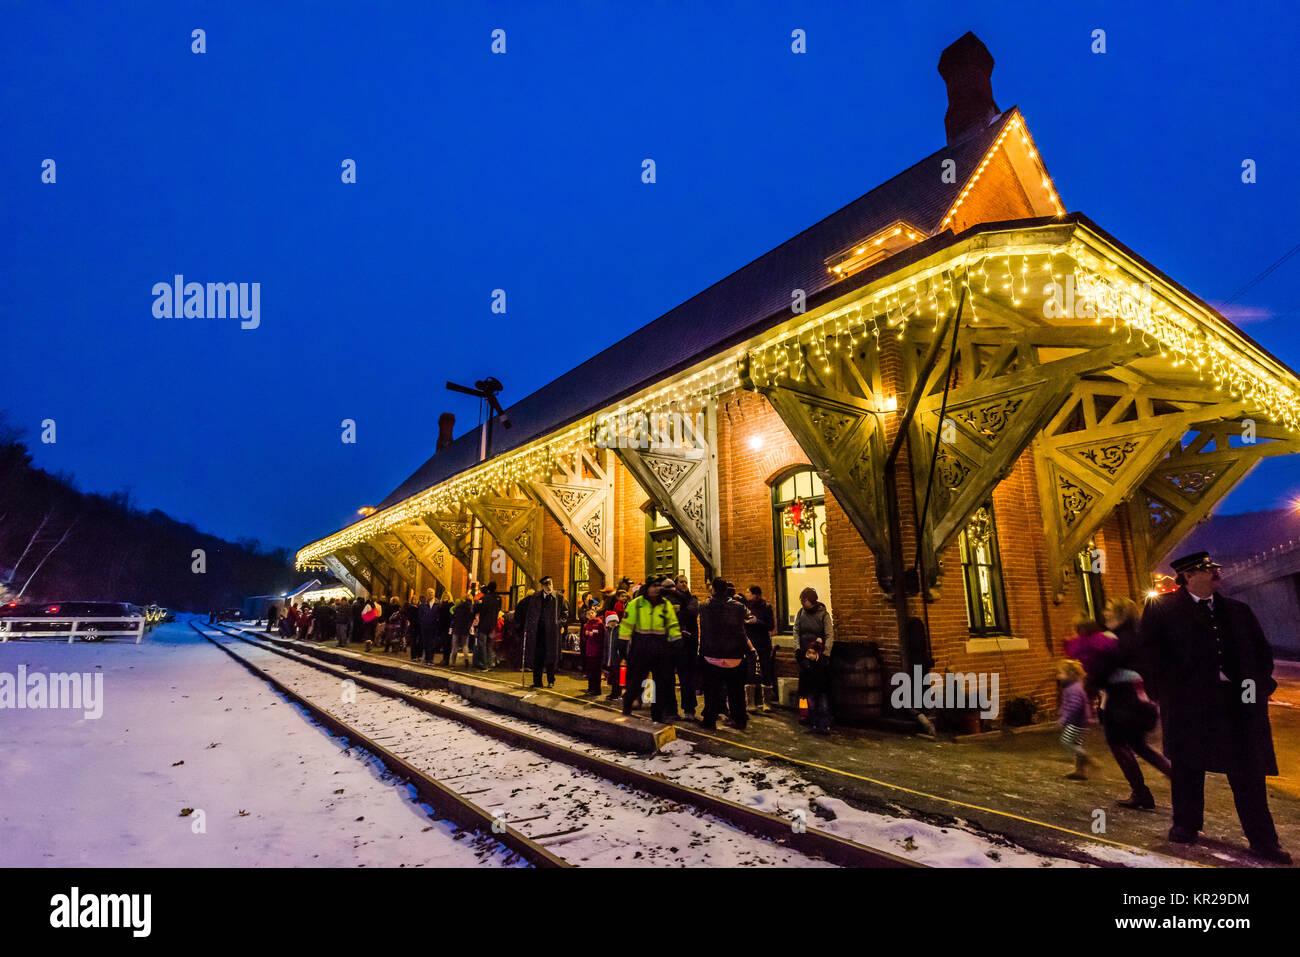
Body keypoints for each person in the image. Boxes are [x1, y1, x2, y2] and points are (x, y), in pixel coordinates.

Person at [1140, 551, 1290, 863]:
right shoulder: (1163, 610)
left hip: (1239, 705)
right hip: (1189, 705)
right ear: (1189, 576)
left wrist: (1262, 687)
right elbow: (1150, 656)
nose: (1216, 575)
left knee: (1248, 772)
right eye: (1208, 571)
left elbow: (1261, 652)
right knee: (1187, 767)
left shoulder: (1238, 610)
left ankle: (1263, 841)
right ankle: (1186, 825)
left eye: (1215, 570)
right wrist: (1164, 693)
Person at [1100, 596, 1169, 810]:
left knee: (1118, 744)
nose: (1105, 612)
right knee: (1139, 745)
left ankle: (1141, 793)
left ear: (1120, 614)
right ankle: (1178, 777)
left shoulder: (1117, 640)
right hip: (1137, 701)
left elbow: (1106, 669)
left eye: (1110, 607)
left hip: (1121, 702)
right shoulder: (1138, 637)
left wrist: (1092, 678)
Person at [619, 577, 681, 723]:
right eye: (654, 586)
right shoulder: (637, 604)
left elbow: (672, 625)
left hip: (661, 648)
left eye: (659, 586)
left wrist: (677, 640)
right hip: (642, 646)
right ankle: (628, 701)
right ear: (647, 587)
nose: (657, 588)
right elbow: (627, 624)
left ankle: (657, 715)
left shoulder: (666, 605)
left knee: (661, 683)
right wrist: (622, 642)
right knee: (637, 681)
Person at [698, 577, 755, 731]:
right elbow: (748, 621)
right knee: (736, 692)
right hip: (734, 655)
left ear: (714, 589)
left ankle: (709, 720)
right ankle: (740, 720)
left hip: (711, 655)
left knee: (712, 692)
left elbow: (704, 630)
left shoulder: (704, 607)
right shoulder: (738, 607)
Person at [793, 587, 834, 734]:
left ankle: (823, 721)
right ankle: (807, 716)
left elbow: (829, 635)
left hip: (818, 656)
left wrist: (825, 654)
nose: (804, 604)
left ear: (812, 600)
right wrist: (797, 649)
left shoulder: (823, 615)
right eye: (803, 601)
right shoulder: (801, 613)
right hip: (804, 655)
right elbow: (796, 631)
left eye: (806, 601)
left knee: (820, 690)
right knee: (805, 690)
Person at [517, 576, 569, 688]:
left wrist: (558, 623)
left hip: (552, 632)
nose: (549, 587)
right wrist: (528, 627)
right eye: (547, 585)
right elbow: (530, 613)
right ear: (543, 586)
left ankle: (551, 680)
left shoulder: (559, 598)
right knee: (538, 657)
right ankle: (537, 682)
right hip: (538, 632)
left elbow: (565, 613)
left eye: (550, 584)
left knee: (551, 657)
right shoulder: (536, 597)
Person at [664, 575, 699, 720]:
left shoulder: (692, 598)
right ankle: (670, 709)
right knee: (668, 678)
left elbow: (692, 612)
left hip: (686, 644)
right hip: (670, 643)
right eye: (681, 582)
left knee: (687, 678)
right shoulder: (666, 600)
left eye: (686, 582)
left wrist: (678, 611)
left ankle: (689, 710)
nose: (684, 584)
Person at [1057, 658, 1093, 779]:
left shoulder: (1074, 689)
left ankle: (1086, 757)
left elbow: (1074, 706)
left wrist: (1064, 718)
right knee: (1076, 743)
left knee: (1067, 742)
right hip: (1081, 721)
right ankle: (1080, 771)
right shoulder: (1073, 687)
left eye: (1062, 673)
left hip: (1076, 722)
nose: (1059, 676)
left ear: (1070, 675)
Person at [744, 585, 776, 710]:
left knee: (765, 671)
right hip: (750, 644)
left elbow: (771, 626)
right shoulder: (746, 607)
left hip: (763, 643)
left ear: (755, 594)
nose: (747, 594)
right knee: (750, 672)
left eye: (748, 592)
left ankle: (766, 703)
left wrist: (757, 621)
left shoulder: (766, 607)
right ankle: (751, 702)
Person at [474, 581, 502, 670]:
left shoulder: (485, 598)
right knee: (489, 644)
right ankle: (490, 663)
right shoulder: (498, 599)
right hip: (492, 624)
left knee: (482, 644)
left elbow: (477, 609)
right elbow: (498, 610)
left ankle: (483, 663)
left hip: (484, 624)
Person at [580, 606, 605, 695]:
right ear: (586, 616)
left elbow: (602, 637)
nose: (590, 615)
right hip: (589, 651)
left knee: (596, 672)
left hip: (597, 652)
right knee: (590, 671)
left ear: (595, 613)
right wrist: (587, 635)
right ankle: (590, 688)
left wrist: (593, 634)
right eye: (588, 614)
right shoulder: (586, 625)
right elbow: (583, 638)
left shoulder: (600, 624)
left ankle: (597, 690)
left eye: (592, 613)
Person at [448, 594, 475, 667]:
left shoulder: (458, 607)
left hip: (456, 628)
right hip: (465, 629)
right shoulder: (470, 609)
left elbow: (452, 616)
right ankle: (466, 659)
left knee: (454, 646)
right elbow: (471, 619)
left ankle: (453, 662)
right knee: (465, 645)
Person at [604, 609, 625, 699]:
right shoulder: (608, 631)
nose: (612, 623)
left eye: (614, 621)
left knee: (618, 677)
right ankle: (614, 692)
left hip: (617, 657)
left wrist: (623, 656)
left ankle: (617, 694)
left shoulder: (619, 630)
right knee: (612, 677)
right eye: (610, 621)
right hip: (610, 657)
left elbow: (624, 644)